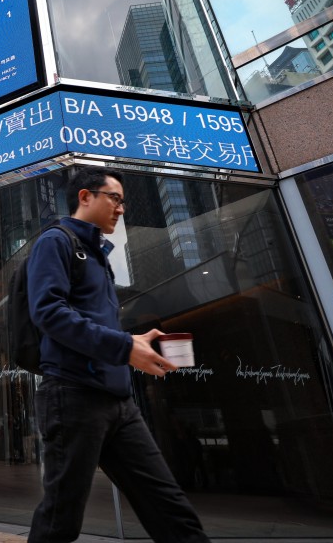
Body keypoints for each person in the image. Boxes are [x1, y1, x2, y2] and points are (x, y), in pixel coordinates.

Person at [27, 166, 209, 543]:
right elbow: (48, 313)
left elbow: (95, 326)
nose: (121, 208)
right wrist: (126, 347)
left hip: (118, 402)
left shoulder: (99, 256)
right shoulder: (56, 242)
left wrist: (134, 342)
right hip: (72, 395)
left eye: (123, 201)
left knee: (170, 509)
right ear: (85, 196)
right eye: (115, 198)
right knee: (60, 521)